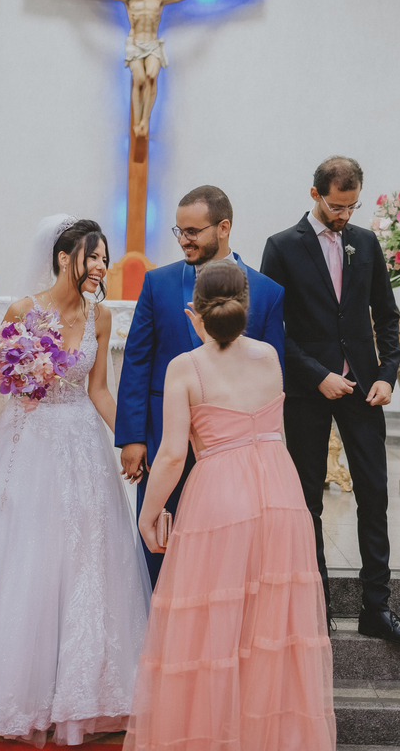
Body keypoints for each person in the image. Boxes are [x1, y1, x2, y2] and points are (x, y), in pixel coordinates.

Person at [0, 216, 150, 746]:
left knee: (86, 556)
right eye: (92, 256)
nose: (101, 266)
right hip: (30, 443)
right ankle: (15, 689)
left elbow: (98, 390)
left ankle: (85, 689)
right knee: (28, 553)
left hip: (82, 444)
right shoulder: (24, 311)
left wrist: (130, 439)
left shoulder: (100, 317)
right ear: (63, 257)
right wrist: (22, 375)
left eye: (104, 258)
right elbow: (1, 377)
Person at [125, 260, 335, 751]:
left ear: (193, 312)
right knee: (271, 625)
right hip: (280, 494)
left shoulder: (186, 367)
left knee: (212, 623)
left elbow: (172, 456)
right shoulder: (268, 356)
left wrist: (148, 513)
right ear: (246, 307)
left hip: (220, 496)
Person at [261, 156, 400, 645]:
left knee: (374, 494)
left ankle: (377, 606)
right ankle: (317, 609)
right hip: (308, 391)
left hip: (364, 389)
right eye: (336, 206)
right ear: (315, 194)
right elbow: (273, 330)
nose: (344, 215)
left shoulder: (366, 242)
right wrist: (317, 376)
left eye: (352, 206)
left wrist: (388, 376)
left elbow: (387, 318)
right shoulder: (282, 246)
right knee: (308, 501)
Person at [116, 185, 284, 585]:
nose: (184, 240)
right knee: (160, 543)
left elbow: (273, 382)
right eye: (179, 230)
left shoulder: (267, 292)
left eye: (193, 231)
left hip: (231, 450)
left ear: (223, 228)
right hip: (163, 439)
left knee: (227, 555)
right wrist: (132, 437)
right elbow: (137, 360)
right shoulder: (157, 283)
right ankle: (159, 616)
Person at [76, 0, 211, 139]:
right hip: (135, 45)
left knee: (151, 77)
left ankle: (144, 121)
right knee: (139, 80)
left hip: (153, 45)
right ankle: (136, 122)